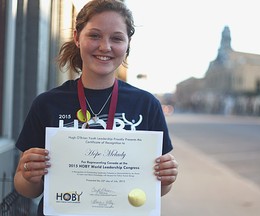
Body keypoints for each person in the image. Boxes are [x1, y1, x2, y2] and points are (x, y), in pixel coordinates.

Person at [13, 0, 178, 215]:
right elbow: (26, 188)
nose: (105, 46)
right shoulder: (47, 103)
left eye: (117, 38)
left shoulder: (146, 105)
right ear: (77, 37)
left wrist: (167, 177)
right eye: (94, 35)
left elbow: (158, 188)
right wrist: (28, 174)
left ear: (127, 45)